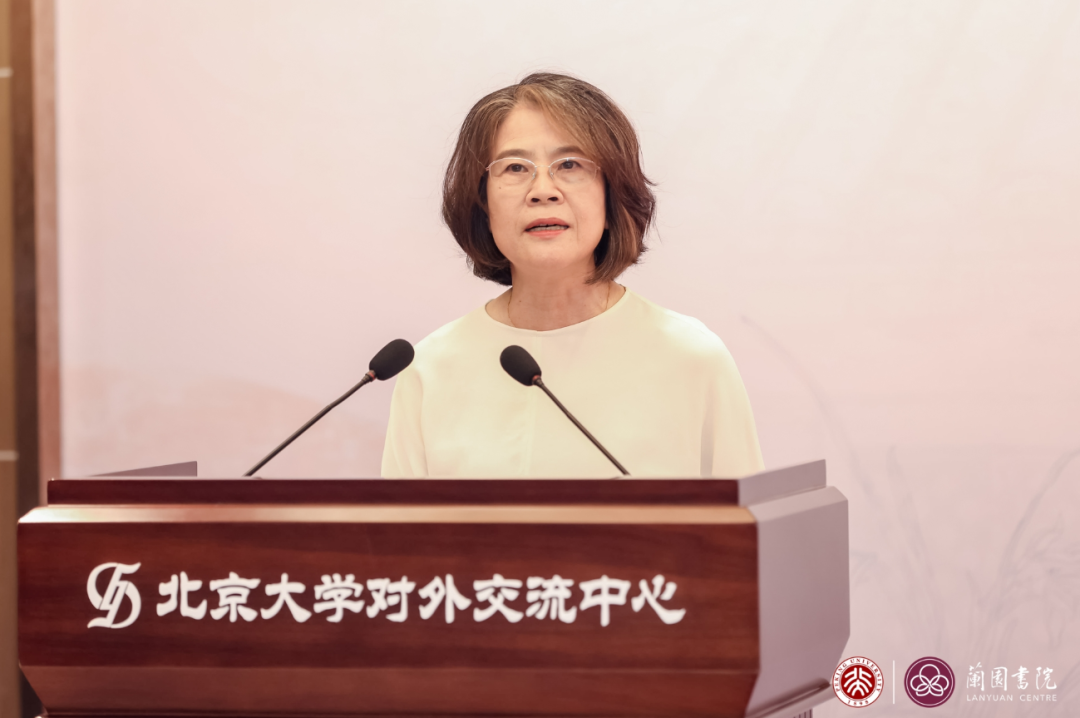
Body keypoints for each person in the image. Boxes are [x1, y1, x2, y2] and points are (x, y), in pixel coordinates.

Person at [381, 73, 763, 479]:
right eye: (515, 167)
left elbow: (749, 518)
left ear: (611, 194)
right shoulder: (430, 370)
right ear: (482, 204)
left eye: (569, 164)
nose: (543, 190)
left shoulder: (691, 358)